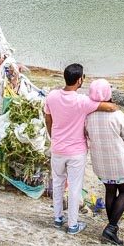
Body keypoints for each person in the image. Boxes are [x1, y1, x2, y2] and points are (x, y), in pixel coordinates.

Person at [44, 63, 117, 235]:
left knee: (58, 182)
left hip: (58, 148)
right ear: (79, 80)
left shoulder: (52, 96)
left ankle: (57, 218)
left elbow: (48, 119)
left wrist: (53, 137)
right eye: (83, 77)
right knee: (75, 188)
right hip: (76, 152)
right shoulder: (82, 101)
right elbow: (109, 107)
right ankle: (73, 225)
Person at [85, 79, 124, 246]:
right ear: (108, 94)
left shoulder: (88, 115)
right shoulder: (117, 114)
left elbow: (86, 134)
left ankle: (112, 229)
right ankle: (111, 227)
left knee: (110, 191)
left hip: (100, 161)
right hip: (119, 160)